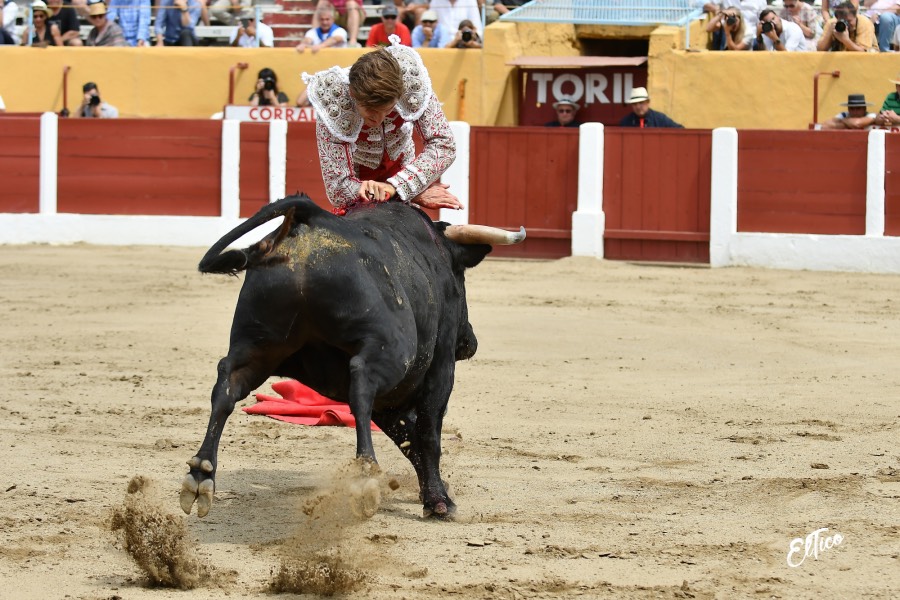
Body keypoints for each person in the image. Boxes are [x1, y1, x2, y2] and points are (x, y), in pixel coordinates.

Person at [301, 35, 463, 213]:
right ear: (352, 94)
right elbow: (338, 190)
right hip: (358, 189)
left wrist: (399, 186)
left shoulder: (410, 82)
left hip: (403, 169)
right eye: (371, 111)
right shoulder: (334, 102)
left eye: (388, 110)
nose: (378, 119)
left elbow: (444, 144)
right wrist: (411, 192)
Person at [618, 87, 683, 128]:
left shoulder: (660, 119)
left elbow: (679, 130)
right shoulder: (626, 122)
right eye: (634, 104)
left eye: (641, 103)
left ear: (648, 102)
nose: (638, 107)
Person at [702, 0, 766, 33]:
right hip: (729, 31)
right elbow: (705, 4)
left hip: (751, 35)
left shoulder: (760, 1)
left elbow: (763, 21)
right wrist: (719, 11)